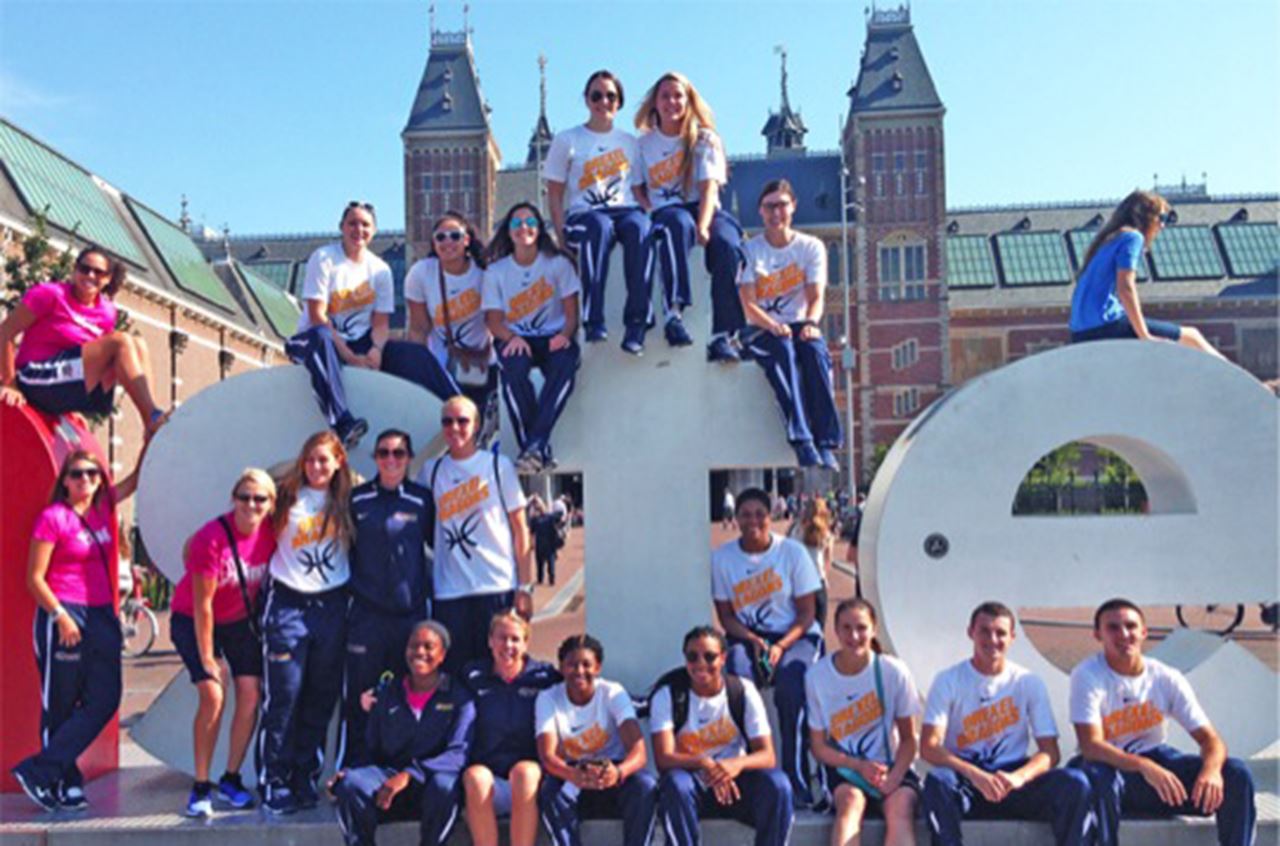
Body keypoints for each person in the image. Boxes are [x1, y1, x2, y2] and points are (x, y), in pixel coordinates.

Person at [11, 450, 138, 812]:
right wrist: (60, 616)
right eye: (78, 474)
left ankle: (40, 770)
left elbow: (135, 479)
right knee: (61, 704)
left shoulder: (103, 508)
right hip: (64, 613)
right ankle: (64, 781)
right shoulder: (54, 518)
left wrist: (151, 431)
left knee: (105, 697)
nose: (86, 480)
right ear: (65, 481)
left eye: (93, 474)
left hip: (101, 615)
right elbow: (34, 578)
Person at [1070, 598, 1256, 846]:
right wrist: (1144, 766)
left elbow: (1211, 740)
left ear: (1144, 632)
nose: (1124, 634)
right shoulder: (1088, 674)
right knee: (1099, 776)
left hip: (1157, 773)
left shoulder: (1166, 677)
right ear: (1098, 635)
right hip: (1112, 770)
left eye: (1131, 626)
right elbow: (1091, 745)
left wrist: (1211, 771)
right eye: (1113, 628)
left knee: (1236, 773)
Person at [921, 601, 1092, 846]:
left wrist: (1019, 778)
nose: (992, 639)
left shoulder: (1028, 682)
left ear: (1012, 637)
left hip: (1012, 778)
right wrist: (975, 775)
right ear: (971, 632)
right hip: (967, 779)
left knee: (1076, 783)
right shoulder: (948, 680)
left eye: (1000, 633)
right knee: (937, 782)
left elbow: (1049, 752)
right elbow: (929, 746)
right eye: (984, 631)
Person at [169, 468, 277, 817]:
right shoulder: (211, 538)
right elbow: (202, 606)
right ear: (233, 498)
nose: (251, 504)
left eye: (259, 498)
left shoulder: (272, 534)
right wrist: (207, 659)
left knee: (251, 694)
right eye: (244, 497)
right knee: (214, 694)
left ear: (271, 503)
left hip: (237, 622)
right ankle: (201, 786)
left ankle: (231, 778)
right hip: (194, 619)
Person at [257, 431, 355, 815]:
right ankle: (274, 779)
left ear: (338, 463)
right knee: (284, 696)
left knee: (320, 697)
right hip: (288, 604)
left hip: (332, 604)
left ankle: (303, 775)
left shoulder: (348, 501)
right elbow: (246, 511)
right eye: (310, 459)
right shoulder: (282, 496)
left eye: (324, 460)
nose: (316, 467)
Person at [712, 487, 823, 807]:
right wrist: (753, 640)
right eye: (745, 514)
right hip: (749, 636)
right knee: (738, 684)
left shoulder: (793, 553)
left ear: (770, 515)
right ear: (736, 518)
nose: (753, 521)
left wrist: (781, 646)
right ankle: (748, 774)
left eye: (759, 514)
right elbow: (726, 616)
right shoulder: (722, 558)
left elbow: (807, 613)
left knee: (792, 686)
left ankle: (796, 776)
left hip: (796, 635)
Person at [338, 429, 434, 771]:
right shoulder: (357, 499)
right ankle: (355, 765)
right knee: (360, 695)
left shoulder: (423, 500)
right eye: (384, 453)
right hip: (366, 616)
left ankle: (403, 765)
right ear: (375, 458)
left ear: (408, 458)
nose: (391, 459)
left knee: (407, 691)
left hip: (409, 615)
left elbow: (438, 548)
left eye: (398, 453)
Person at [633, 71, 745, 361]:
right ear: (655, 103)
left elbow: (708, 188)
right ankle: (674, 313)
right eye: (665, 96)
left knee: (727, 245)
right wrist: (648, 208)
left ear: (688, 101)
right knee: (674, 226)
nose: (672, 101)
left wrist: (705, 226)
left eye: (678, 95)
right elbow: (636, 187)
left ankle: (724, 334)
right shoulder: (643, 145)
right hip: (666, 210)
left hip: (702, 206)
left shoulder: (704, 139)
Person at [330, 620, 475, 846]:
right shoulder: (389, 693)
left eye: (428, 647)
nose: (419, 652)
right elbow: (370, 748)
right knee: (351, 784)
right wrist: (350, 771)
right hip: (388, 784)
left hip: (429, 783)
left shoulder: (459, 697)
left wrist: (410, 775)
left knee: (445, 786)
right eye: (413, 646)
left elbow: (458, 754)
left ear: (442, 655)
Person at [417, 396, 533, 673]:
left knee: (499, 670)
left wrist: (525, 587)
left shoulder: (497, 466)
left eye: (462, 421)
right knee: (455, 674)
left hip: (495, 585)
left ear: (477, 425)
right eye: (447, 421)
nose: (454, 428)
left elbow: (521, 529)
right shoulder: (431, 471)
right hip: (449, 591)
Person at [0, 246, 166, 439]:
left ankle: (150, 427)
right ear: (74, 270)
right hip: (34, 377)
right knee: (121, 341)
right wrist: (10, 383)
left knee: (138, 344)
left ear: (107, 279)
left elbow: (92, 359)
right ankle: (152, 417)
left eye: (98, 272)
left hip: (65, 380)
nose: (90, 275)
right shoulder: (49, 294)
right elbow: (5, 332)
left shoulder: (107, 312)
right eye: (84, 269)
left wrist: (72, 405)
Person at [651, 626, 793, 846]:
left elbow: (767, 755)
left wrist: (734, 765)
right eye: (692, 656)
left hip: (735, 784)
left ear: (723, 658)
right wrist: (704, 763)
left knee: (779, 786)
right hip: (692, 784)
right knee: (674, 785)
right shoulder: (668, 694)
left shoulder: (742, 691)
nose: (700, 664)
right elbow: (663, 758)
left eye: (709, 656)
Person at [544, 69, 653, 355]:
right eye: (596, 95)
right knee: (599, 227)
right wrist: (559, 236)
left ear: (619, 103)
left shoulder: (630, 142)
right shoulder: (567, 140)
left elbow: (639, 190)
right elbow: (554, 194)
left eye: (610, 96)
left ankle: (637, 323)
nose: (603, 101)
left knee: (641, 229)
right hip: (585, 215)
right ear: (586, 99)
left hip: (624, 209)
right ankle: (593, 319)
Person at [738, 179, 841, 470]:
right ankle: (802, 440)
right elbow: (748, 304)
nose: (776, 213)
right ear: (760, 211)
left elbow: (817, 296)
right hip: (760, 328)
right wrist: (772, 325)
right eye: (769, 206)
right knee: (782, 350)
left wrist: (811, 323)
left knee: (815, 351)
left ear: (793, 206)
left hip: (797, 324)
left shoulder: (811, 247)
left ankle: (826, 441)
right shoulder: (750, 250)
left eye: (781, 205)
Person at [806, 599, 920, 846]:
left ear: (873, 630)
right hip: (845, 768)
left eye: (861, 627)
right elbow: (819, 746)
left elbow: (909, 740)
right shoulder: (817, 676)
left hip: (891, 765)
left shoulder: (894, 671)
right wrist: (858, 765)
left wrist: (895, 776)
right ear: (835, 630)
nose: (854, 635)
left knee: (900, 809)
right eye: (846, 628)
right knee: (850, 803)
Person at [286, 202, 394, 448]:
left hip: (359, 339)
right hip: (313, 339)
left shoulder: (381, 270)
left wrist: (376, 350)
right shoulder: (324, 258)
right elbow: (317, 316)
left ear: (374, 230)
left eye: (365, 224)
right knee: (321, 337)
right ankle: (342, 422)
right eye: (352, 223)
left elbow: (381, 323)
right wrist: (350, 356)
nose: (359, 229)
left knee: (407, 353)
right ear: (341, 227)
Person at [483, 202, 582, 472]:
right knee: (513, 371)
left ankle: (534, 445)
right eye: (516, 223)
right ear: (508, 231)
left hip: (553, 337)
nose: (523, 228)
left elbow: (572, 315)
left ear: (539, 229)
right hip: (515, 336)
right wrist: (511, 338)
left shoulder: (558, 264)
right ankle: (535, 447)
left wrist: (564, 334)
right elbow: (493, 320)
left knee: (565, 363)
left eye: (530, 223)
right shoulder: (496, 271)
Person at [1069, 190, 1225, 359]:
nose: (1162, 226)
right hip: (1106, 325)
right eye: (1162, 218)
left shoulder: (1106, 240)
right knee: (1192, 336)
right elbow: (1126, 288)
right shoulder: (1132, 237)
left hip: (1079, 332)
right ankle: (1238, 380)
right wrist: (1144, 335)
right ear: (1146, 217)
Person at [536, 634, 658, 846]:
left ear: (598, 667)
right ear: (562, 667)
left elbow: (639, 752)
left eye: (586, 665)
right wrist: (572, 774)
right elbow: (547, 756)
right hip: (574, 773)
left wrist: (618, 772)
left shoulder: (612, 692)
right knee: (550, 792)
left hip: (612, 770)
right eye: (572, 665)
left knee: (645, 786)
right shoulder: (548, 698)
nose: (579, 671)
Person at [460, 610, 561, 846]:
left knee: (524, 773)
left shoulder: (544, 676)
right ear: (490, 641)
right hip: (488, 772)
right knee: (476, 777)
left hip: (530, 776)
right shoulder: (472, 676)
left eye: (515, 639)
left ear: (526, 643)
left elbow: (580, 693)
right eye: (501, 638)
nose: (508, 645)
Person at [399, 211, 499, 442]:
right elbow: (418, 328)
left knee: (477, 430)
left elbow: (497, 319)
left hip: (483, 364)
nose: (447, 242)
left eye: (455, 236)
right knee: (450, 430)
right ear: (433, 243)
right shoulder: (422, 273)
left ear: (467, 240)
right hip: (443, 366)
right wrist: (418, 372)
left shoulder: (485, 272)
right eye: (440, 237)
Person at [790, 496, 835, 628]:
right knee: (819, 624)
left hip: (798, 580)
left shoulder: (795, 530)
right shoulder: (826, 534)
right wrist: (825, 577)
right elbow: (828, 560)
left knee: (798, 623)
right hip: (817, 580)